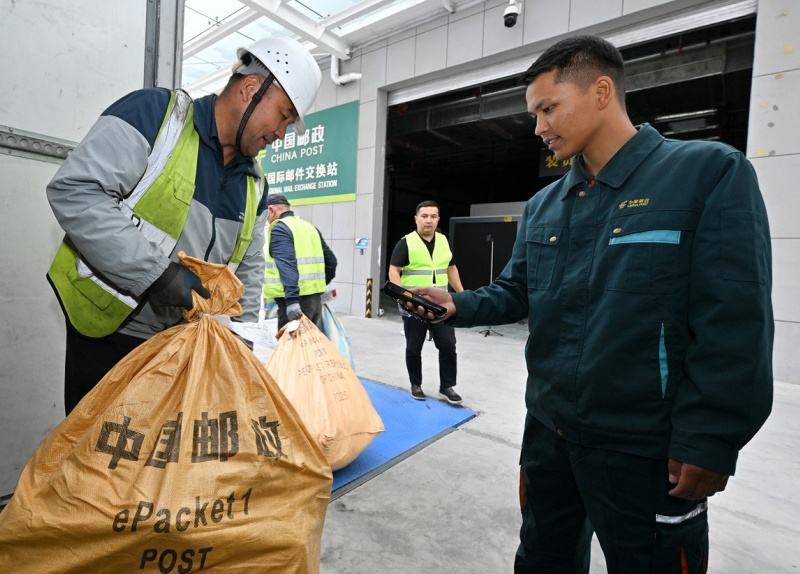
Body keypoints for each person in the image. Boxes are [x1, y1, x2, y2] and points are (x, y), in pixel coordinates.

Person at [408, 35, 773, 572]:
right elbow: (516, 291)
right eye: (535, 114)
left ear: (602, 91)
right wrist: (459, 306)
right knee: (541, 559)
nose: (538, 128)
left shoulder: (706, 174)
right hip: (549, 436)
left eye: (547, 108)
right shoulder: (545, 206)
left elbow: (735, 322)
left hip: (646, 450)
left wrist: (711, 438)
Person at [46, 36, 323, 415]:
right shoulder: (157, 117)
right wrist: (156, 274)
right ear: (251, 89)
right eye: (285, 115)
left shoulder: (255, 184)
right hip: (109, 333)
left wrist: (242, 341)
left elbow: (250, 273)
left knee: (157, 467)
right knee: (96, 460)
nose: (281, 133)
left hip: (180, 347)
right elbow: (76, 191)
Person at [388, 200, 464, 405]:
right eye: (424, 216)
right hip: (414, 305)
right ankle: (416, 384)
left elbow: (451, 268)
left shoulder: (443, 241)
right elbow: (394, 270)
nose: (428, 220)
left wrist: (462, 294)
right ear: (416, 218)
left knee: (448, 345)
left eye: (433, 216)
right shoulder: (406, 242)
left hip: (441, 305)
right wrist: (401, 296)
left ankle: (447, 387)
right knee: (414, 347)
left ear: (438, 219)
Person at [263, 193, 337, 329]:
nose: (266, 220)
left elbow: (287, 265)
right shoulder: (310, 227)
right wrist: (316, 287)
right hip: (315, 302)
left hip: (294, 305)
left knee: (290, 349)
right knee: (306, 348)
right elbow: (331, 262)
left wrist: (292, 300)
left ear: (271, 210)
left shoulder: (280, 228)